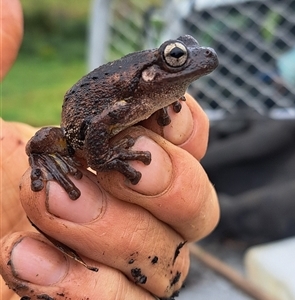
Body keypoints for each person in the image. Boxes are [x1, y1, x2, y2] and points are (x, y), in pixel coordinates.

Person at [0, 1, 219, 299]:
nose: (200, 56)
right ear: (152, 72)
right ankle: (43, 158)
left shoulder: (154, 92)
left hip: (130, 107)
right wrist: (105, 159)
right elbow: (98, 128)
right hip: (76, 132)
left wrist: (164, 102)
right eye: (177, 56)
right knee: (48, 141)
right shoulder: (129, 101)